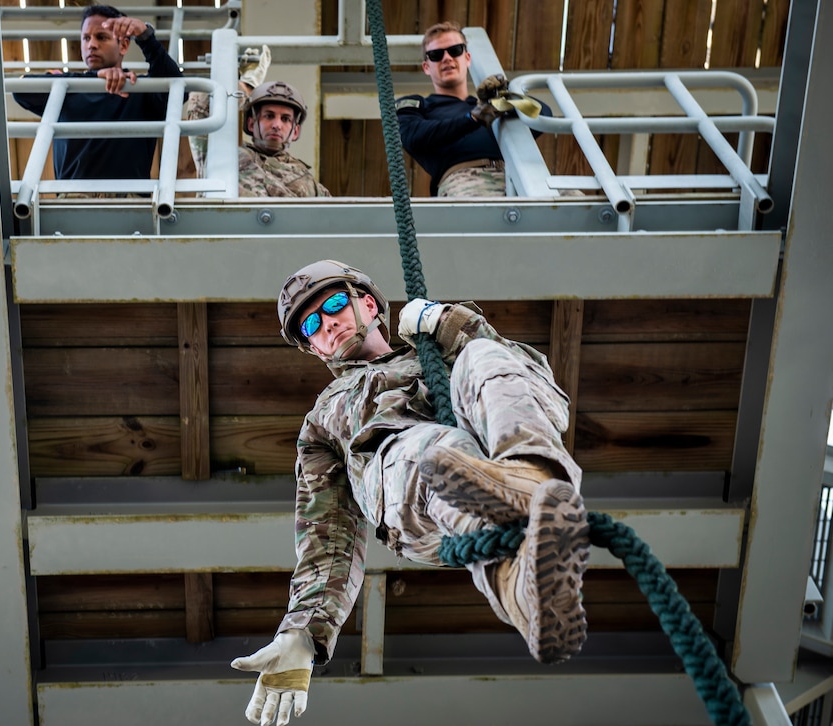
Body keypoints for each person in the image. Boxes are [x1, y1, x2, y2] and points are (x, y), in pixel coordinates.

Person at [230, 260, 590, 726]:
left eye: (335, 304)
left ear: (369, 304)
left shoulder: (438, 348)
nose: (329, 323)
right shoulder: (323, 422)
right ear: (314, 349)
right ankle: (521, 512)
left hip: (492, 455)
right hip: (410, 488)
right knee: (436, 450)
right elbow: (328, 536)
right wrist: (304, 633)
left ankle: (532, 506)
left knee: (484, 357)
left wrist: (449, 325)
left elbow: (542, 393)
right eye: (311, 325)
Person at [12, 4, 182, 185]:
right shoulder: (64, 87)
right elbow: (21, 89)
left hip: (132, 202)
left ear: (123, 45)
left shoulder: (139, 90)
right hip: (73, 201)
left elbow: (179, 92)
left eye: (101, 37)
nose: (91, 45)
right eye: (86, 38)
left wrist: (146, 37)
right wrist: (95, 77)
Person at [396, 21, 542, 197]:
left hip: (520, 176)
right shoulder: (419, 105)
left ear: (467, 58)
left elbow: (541, 117)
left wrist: (506, 95)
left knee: (573, 204)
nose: (447, 58)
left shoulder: (490, 104)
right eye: (436, 54)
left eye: (455, 50)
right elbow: (412, 136)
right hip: (466, 182)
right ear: (426, 67)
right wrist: (472, 119)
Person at [186, 79, 331, 198]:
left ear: (296, 131)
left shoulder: (310, 184)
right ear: (251, 123)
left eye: (285, 119)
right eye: (269, 116)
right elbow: (201, 103)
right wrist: (246, 87)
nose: (276, 125)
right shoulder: (227, 155)